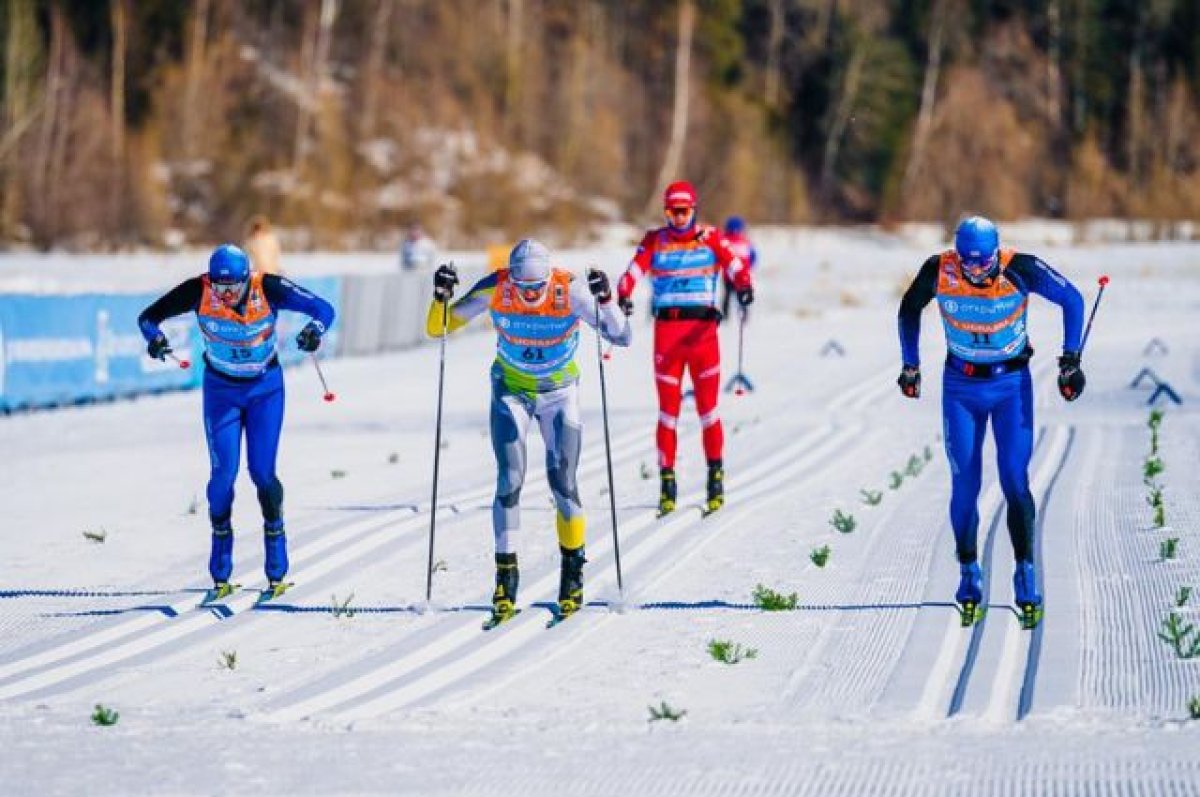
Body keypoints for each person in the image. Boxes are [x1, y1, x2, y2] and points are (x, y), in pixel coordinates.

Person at [427, 239, 631, 628]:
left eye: (536, 288)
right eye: (523, 287)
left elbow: (621, 337)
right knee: (509, 480)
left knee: (563, 483)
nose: (530, 295)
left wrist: (606, 299)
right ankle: (506, 580)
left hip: (559, 394)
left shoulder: (569, 290)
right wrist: (440, 296)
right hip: (511, 391)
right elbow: (438, 327)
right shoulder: (497, 286)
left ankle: (572, 575)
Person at [896, 216, 1085, 629]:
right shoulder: (940, 269)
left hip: (1010, 386)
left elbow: (1073, 299)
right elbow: (909, 309)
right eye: (969, 263)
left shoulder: (1022, 267)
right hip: (960, 388)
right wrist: (911, 366)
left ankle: (1025, 573)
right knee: (965, 481)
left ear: (997, 253)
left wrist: (1070, 362)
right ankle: (968, 573)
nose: (976, 271)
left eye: (983, 263)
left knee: (1014, 479)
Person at [137, 244, 335, 600]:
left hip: (265, 390)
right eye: (220, 286)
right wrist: (155, 339)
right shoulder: (198, 290)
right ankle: (221, 566)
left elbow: (324, 309)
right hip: (221, 392)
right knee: (223, 476)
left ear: (246, 278)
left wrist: (315, 330)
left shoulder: (269, 287)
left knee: (261, 473)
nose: (225, 294)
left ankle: (276, 563)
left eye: (232, 286)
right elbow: (147, 319)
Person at [615, 181, 753, 517]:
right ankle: (667, 484)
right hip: (668, 336)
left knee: (708, 411)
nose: (678, 218)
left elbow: (737, 266)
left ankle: (715, 480)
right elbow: (630, 273)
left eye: (684, 211)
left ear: (694, 210)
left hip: (703, 335)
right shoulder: (655, 240)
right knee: (668, 413)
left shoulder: (711, 238)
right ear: (665, 211)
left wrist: (745, 287)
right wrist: (623, 295)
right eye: (671, 211)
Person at [720, 215, 758, 323]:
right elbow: (753, 256)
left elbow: (720, 256)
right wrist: (750, 268)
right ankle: (744, 314)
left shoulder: (724, 241)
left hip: (728, 276)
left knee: (727, 296)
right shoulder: (745, 242)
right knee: (742, 296)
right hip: (743, 276)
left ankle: (726, 315)